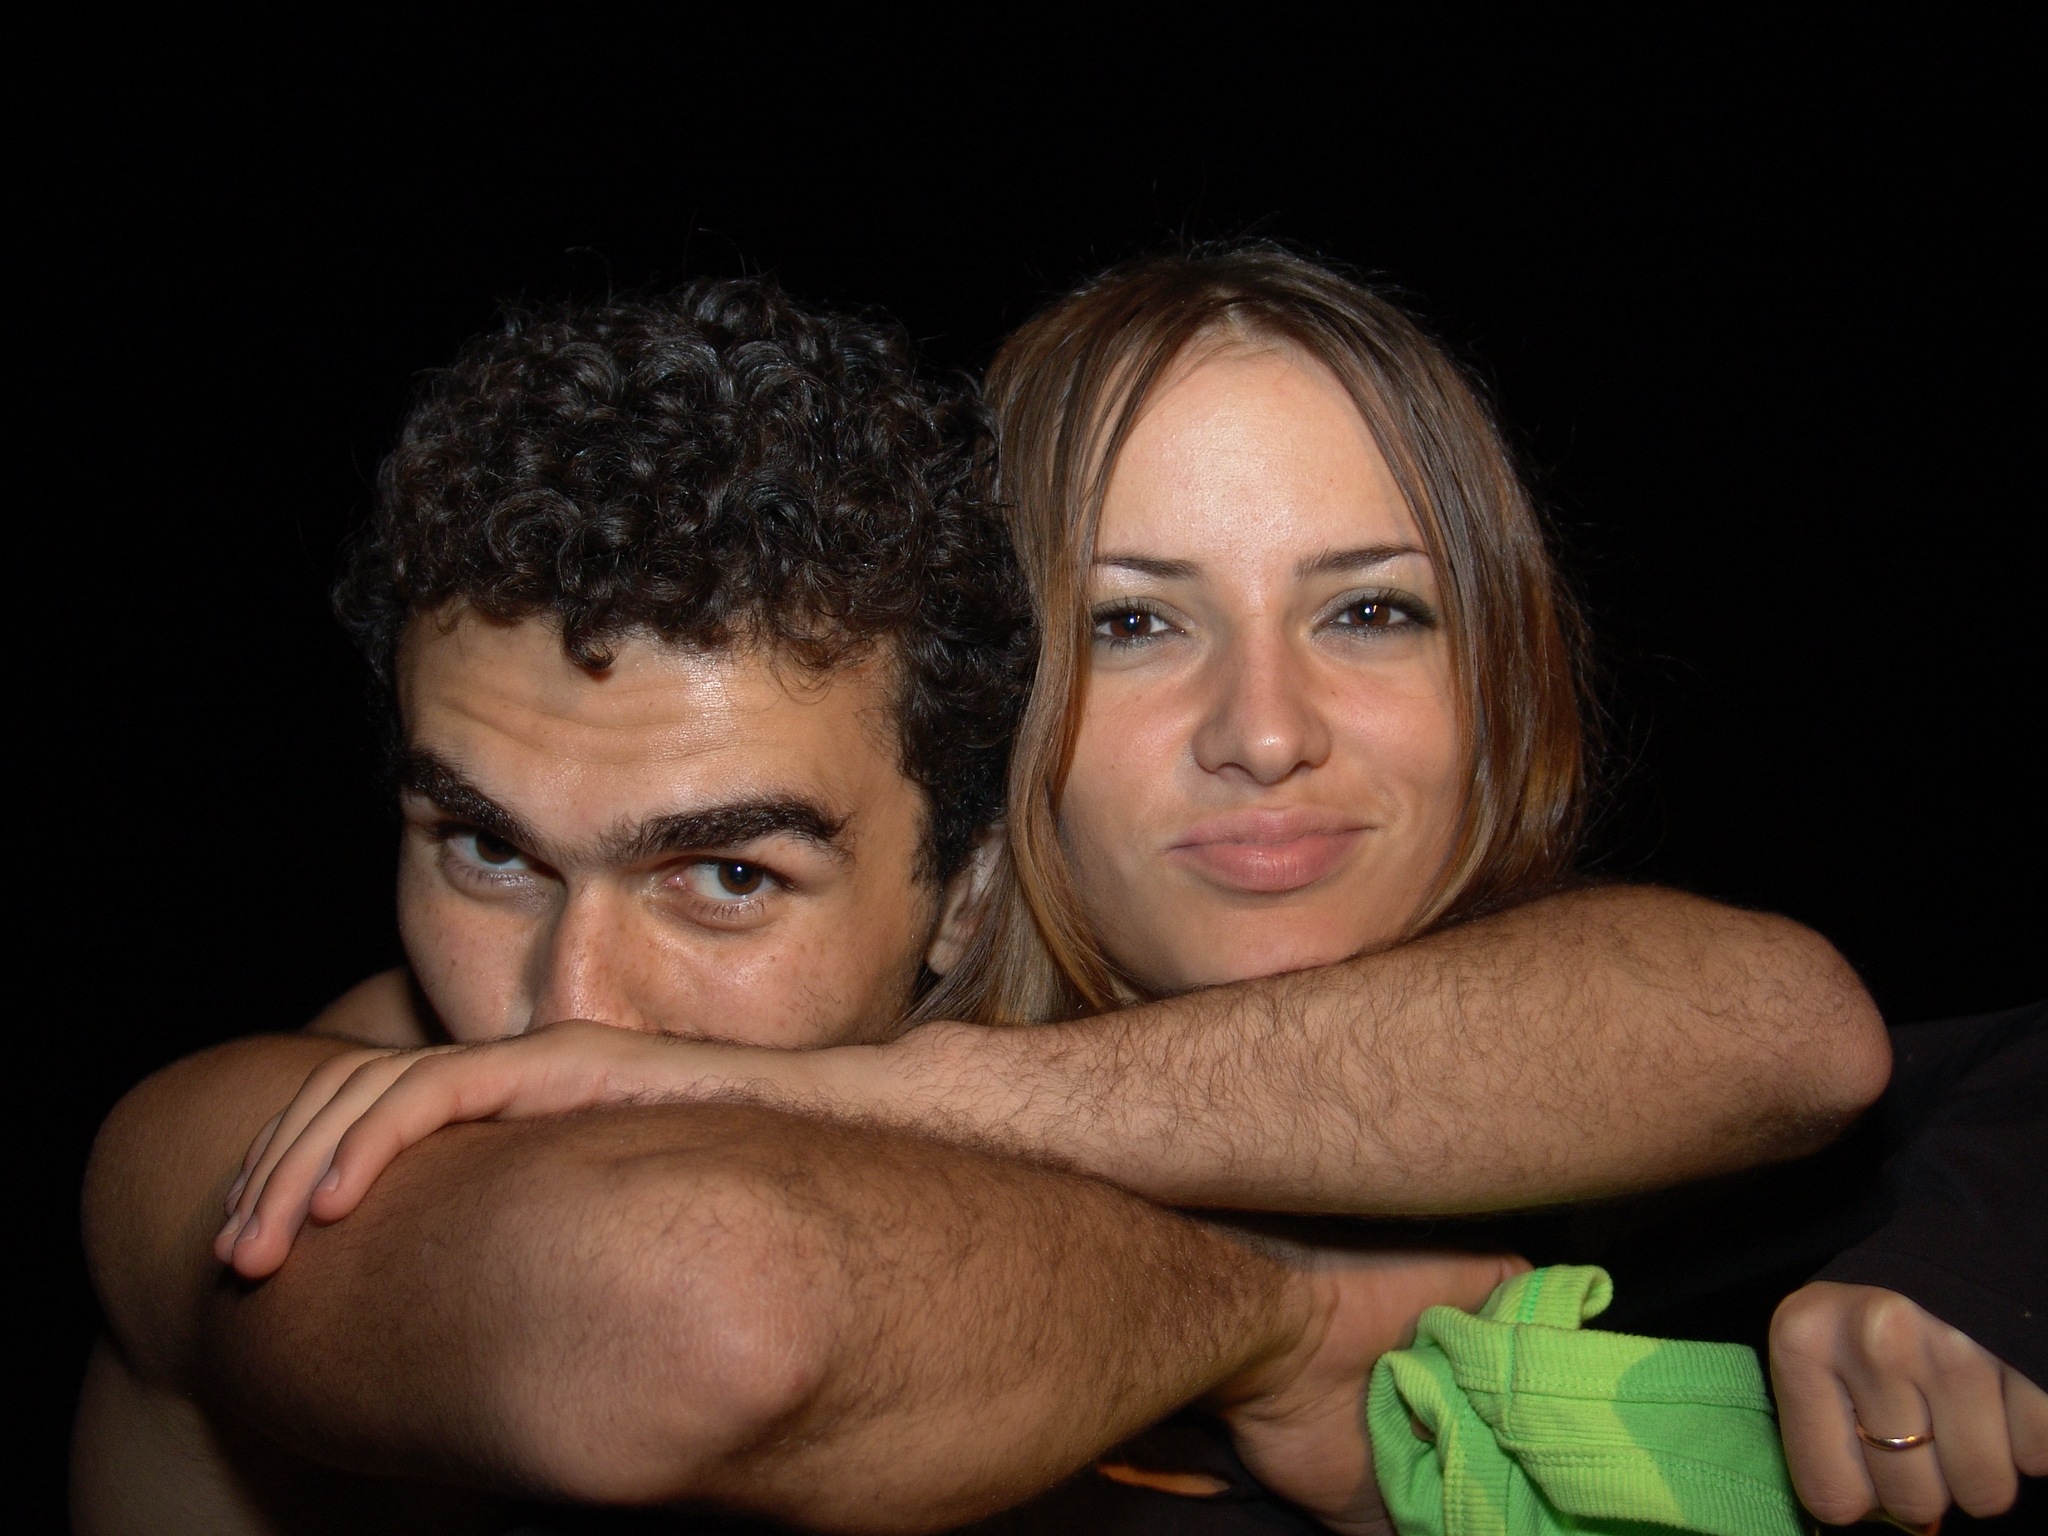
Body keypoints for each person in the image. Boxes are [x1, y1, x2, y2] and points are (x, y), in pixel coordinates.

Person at [169, 254, 1908, 1533]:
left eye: (1373, 606)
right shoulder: (300, 1121)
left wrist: (887, 1093)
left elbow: (1788, 1030)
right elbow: (708, 1311)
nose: (574, 1014)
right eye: (1132, 620)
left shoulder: (1847, 1157)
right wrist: (1279, 1313)